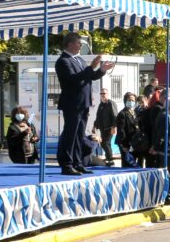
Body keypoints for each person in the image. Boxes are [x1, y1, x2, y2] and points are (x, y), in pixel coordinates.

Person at [55, 33, 114, 176]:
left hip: (83, 103)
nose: (80, 45)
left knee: (79, 135)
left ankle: (78, 162)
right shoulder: (63, 61)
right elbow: (73, 79)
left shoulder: (79, 59)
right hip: (72, 103)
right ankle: (67, 164)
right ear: (69, 44)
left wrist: (101, 70)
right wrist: (91, 67)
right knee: (70, 134)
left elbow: (89, 76)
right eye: (78, 43)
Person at [114, 93, 140, 168]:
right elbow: (121, 130)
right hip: (125, 142)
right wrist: (124, 145)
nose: (131, 102)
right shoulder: (122, 114)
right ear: (125, 101)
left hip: (133, 141)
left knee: (133, 161)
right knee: (126, 162)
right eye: (129, 100)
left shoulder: (135, 112)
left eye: (133, 100)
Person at [95, 88, 118, 166]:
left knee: (105, 143)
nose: (102, 95)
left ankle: (110, 160)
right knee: (104, 143)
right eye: (101, 93)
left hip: (109, 127)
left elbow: (114, 115)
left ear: (107, 94)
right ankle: (109, 159)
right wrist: (94, 125)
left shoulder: (111, 103)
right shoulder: (101, 104)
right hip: (102, 128)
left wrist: (114, 127)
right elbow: (98, 116)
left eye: (104, 93)